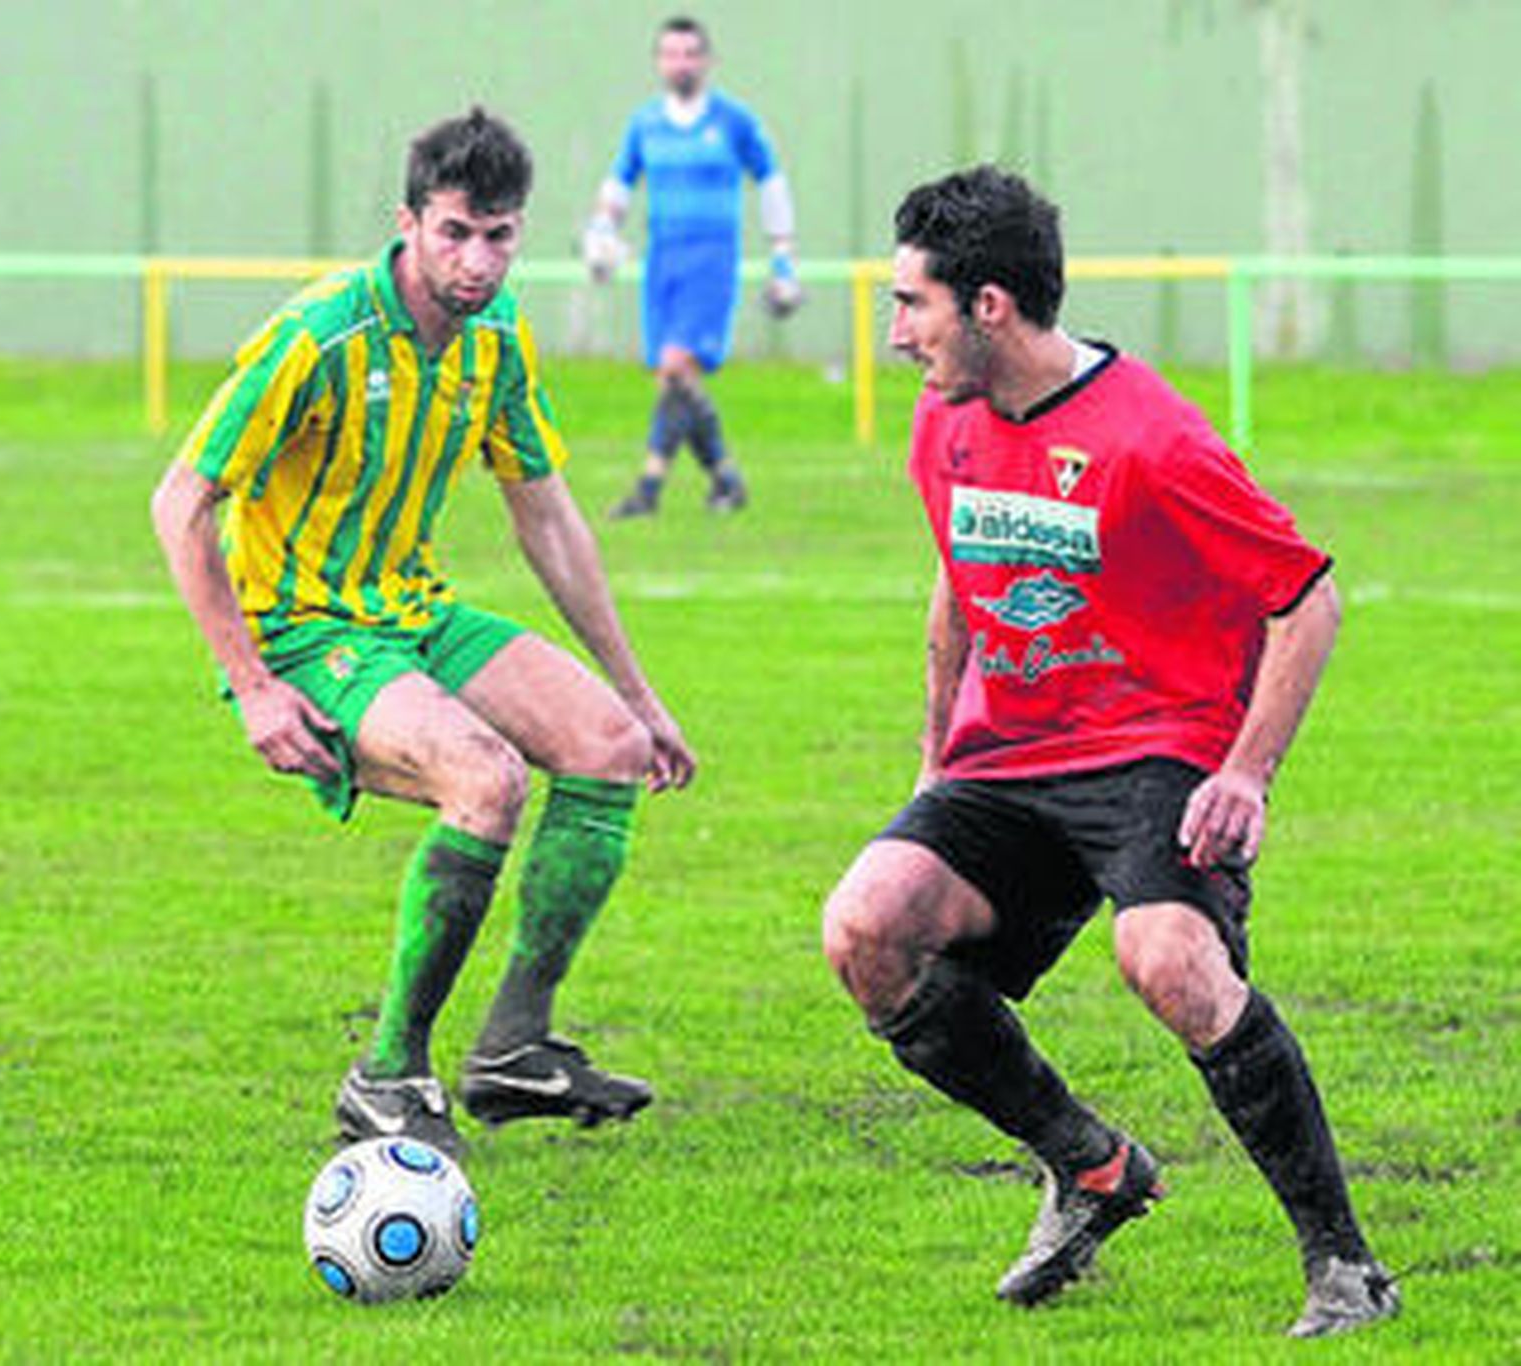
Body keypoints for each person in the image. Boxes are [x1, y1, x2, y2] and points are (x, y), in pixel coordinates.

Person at [820, 165, 1399, 1339]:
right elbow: (956, 585)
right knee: (865, 929)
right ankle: (1088, 1168)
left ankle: (1345, 1266)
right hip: (1010, 756)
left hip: (1159, 749)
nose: (894, 336)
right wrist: (936, 760)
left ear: (988, 306)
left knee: (1170, 962)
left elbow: (1306, 598)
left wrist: (1246, 771)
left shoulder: (1152, 438)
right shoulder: (948, 421)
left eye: (910, 305)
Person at [151, 108, 696, 1155]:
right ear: (408, 222)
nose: (477, 260)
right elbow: (181, 501)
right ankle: (387, 1071)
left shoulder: (495, 341)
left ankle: (512, 1048)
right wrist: (254, 685)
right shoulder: (320, 336)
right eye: (454, 232)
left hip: (413, 612)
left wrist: (637, 690)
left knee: (608, 747)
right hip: (307, 630)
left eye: (498, 236)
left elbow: (544, 510)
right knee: (486, 780)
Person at [583, 14, 802, 519]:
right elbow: (619, 184)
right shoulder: (646, 123)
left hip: (711, 260)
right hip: (662, 259)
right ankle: (726, 479)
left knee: (680, 363)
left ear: (706, 60)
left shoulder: (733, 121)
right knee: (671, 378)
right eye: (671, 53)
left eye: (689, 53)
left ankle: (648, 487)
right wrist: (601, 232)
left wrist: (782, 256)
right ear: (659, 61)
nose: (680, 62)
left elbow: (770, 181)